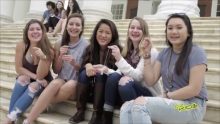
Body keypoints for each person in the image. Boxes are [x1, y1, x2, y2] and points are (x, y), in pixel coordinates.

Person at [120, 13, 208, 124]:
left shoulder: (196, 52)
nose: (174, 31)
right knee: (126, 107)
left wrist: (167, 96)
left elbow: (194, 89)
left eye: (179, 28)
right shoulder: (164, 53)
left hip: (193, 106)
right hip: (172, 103)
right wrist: (146, 55)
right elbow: (151, 80)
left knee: (140, 106)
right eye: (170, 28)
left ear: (189, 32)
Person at [22, 13, 88, 124]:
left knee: (71, 84)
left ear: (82, 28)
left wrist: (74, 63)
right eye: (71, 24)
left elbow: (84, 72)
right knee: (54, 83)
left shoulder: (86, 45)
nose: (74, 27)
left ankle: (41, 103)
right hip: (60, 81)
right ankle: (29, 120)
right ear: (66, 26)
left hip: (76, 85)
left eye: (77, 25)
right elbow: (56, 70)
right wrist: (60, 57)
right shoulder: (59, 43)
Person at [102, 17, 162, 124]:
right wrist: (106, 70)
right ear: (128, 30)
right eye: (132, 27)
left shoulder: (151, 51)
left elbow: (138, 77)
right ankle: (107, 116)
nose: (134, 30)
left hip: (148, 94)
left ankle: (136, 117)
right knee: (114, 77)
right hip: (133, 91)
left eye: (139, 28)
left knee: (125, 83)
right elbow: (122, 72)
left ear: (144, 32)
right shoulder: (129, 50)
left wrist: (119, 59)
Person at [68, 19, 122, 124]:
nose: (103, 35)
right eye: (100, 31)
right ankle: (80, 111)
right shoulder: (90, 48)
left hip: (106, 94)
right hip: (91, 90)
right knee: (83, 73)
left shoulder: (117, 50)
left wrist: (103, 70)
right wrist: (88, 66)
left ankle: (97, 113)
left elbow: (117, 74)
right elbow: (84, 64)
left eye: (107, 33)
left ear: (113, 35)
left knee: (101, 73)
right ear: (96, 32)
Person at [3, 19, 54, 124]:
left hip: (44, 80)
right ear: (27, 32)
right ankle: (11, 119)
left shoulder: (49, 50)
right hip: (31, 77)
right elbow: (19, 69)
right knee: (22, 78)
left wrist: (43, 58)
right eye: (31, 29)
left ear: (43, 32)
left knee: (33, 86)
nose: (35, 31)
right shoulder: (21, 45)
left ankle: (9, 119)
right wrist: (36, 78)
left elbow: (41, 75)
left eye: (38, 29)